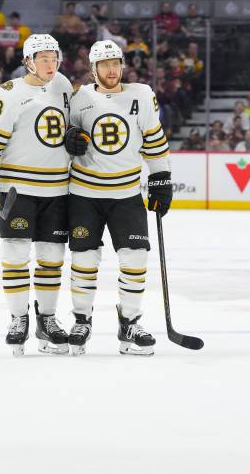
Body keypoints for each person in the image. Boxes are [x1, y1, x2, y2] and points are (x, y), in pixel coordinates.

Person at [64, 40, 172, 356]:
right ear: (93, 68)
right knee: (84, 259)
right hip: (85, 193)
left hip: (126, 193)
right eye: (104, 64)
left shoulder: (141, 94)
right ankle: (81, 321)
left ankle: (130, 323)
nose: (111, 70)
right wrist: (70, 139)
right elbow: (67, 137)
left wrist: (161, 179)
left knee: (135, 257)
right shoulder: (80, 97)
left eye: (116, 63)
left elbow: (154, 139)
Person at [0, 34, 74, 356]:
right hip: (17, 189)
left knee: (52, 258)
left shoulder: (64, 86)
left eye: (53, 57)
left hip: (57, 188)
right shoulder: (9, 93)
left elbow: (72, 127)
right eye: (42, 58)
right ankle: (18, 318)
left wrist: (76, 138)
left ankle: (47, 319)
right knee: (15, 255)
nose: (49, 63)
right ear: (28, 61)